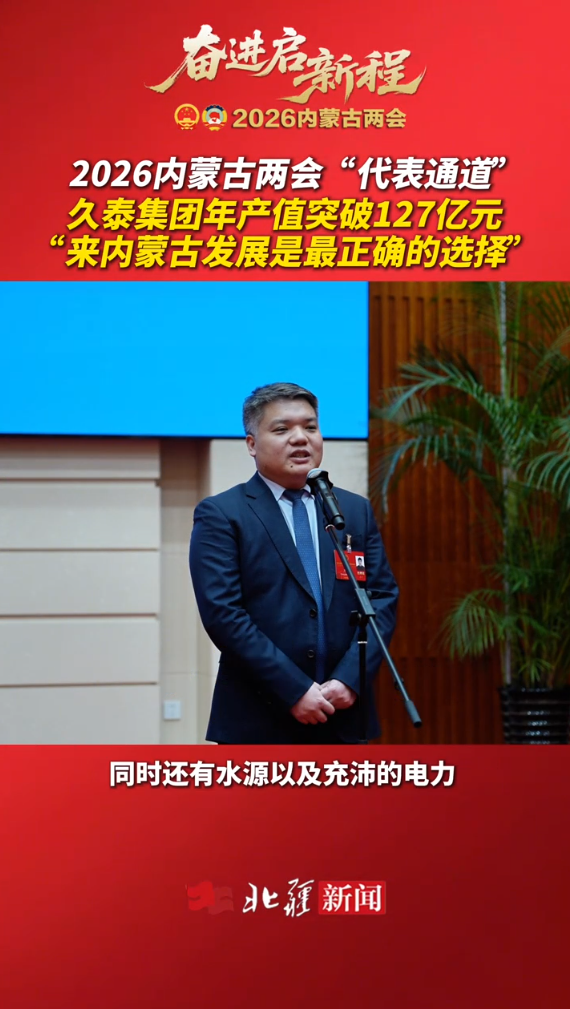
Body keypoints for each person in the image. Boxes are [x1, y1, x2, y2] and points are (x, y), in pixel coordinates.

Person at [189, 382, 398, 743]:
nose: (300, 438)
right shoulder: (223, 514)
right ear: (252, 444)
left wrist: (350, 679)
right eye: (282, 429)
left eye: (310, 427)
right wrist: (294, 689)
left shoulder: (352, 510)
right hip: (258, 718)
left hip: (344, 715)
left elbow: (381, 600)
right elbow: (223, 614)